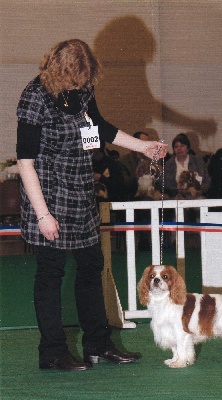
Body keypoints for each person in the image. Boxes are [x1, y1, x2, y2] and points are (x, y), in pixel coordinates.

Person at [16, 39, 167, 372]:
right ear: (60, 70)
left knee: (91, 267)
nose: (80, 85)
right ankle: (52, 351)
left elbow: (100, 127)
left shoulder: (81, 91)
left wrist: (143, 147)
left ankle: (98, 345)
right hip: (48, 194)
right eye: (75, 78)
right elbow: (25, 161)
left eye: (84, 80)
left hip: (81, 191)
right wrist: (43, 215)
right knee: (50, 273)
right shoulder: (34, 97)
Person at [164, 133, 210, 199]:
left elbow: (207, 181)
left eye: (182, 146)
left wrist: (199, 191)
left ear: (188, 148)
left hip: (196, 196)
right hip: (177, 197)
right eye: (176, 146)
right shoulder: (169, 164)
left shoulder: (198, 161)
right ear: (174, 150)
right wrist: (181, 191)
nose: (179, 149)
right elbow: (166, 185)